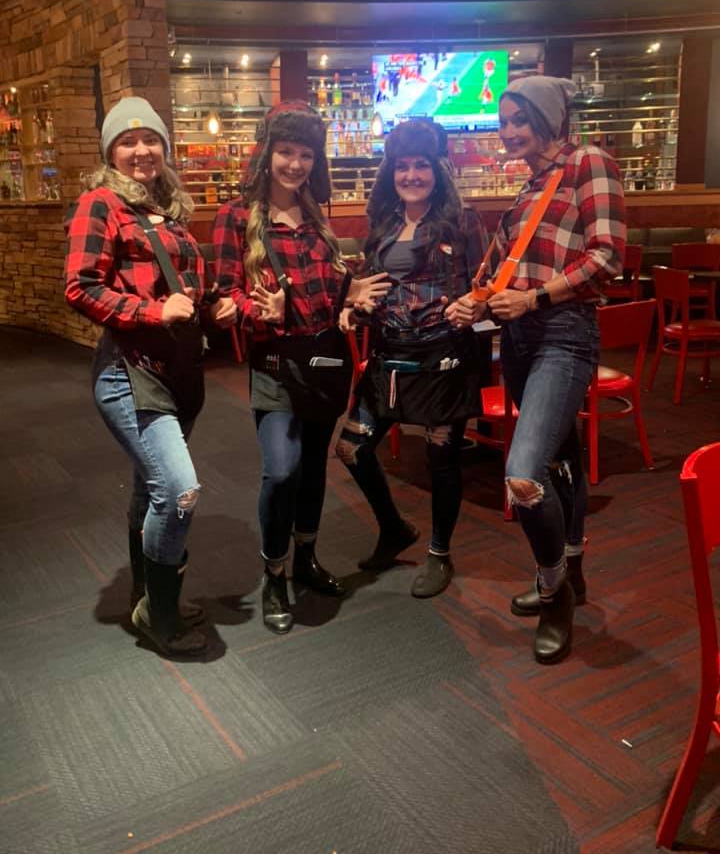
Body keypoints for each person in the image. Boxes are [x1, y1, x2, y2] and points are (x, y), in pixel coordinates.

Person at [64, 96, 237, 656]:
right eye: (127, 141)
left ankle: (147, 596)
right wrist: (152, 312)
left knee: (150, 486)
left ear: (165, 147)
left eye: (151, 140)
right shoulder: (100, 203)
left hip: (178, 370)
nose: (141, 150)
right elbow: (80, 287)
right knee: (179, 490)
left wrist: (215, 305)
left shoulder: (170, 210)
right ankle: (160, 615)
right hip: (129, 369)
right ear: (110, 152)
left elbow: (186, 291)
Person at [213, 101, 389, 634]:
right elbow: (223, 294)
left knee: (312, 468)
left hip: (324, 359)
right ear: (267, 153)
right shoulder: (236, 216)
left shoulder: (316, 215)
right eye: (286, 151)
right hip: (274, 362)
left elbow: (329, 291)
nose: (295, 164)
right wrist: (257, 311)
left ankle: (306, 560)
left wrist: (351, 297)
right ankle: (274, 574)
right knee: (281, 470)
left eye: (306, 154)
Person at [477, 74, 626, 664]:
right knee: (562, 459)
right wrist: (478, 298)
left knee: (523, 474)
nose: (509, 131)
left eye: (520, 119)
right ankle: (575, 572)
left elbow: (608, 256)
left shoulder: (589, 162)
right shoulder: (529, 186)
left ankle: (553, 591)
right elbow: (503, 268)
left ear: (549, 118)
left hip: (563, 332)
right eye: (503, 121)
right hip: (519, 335)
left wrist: (535, 298)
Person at [336, 119, 490, 598]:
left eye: (421, 165)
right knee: (351, 448)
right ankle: (394, 528)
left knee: (441, 461)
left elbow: (487, 284)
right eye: (402, 166)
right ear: (391, 173)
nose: (411, 175)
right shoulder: (384, 222)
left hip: (444, 356)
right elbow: (374, 286)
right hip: (389, 356)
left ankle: (440, 553)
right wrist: (355, 307)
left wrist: (475, 304)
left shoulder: (464, 221)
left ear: (437, 169)